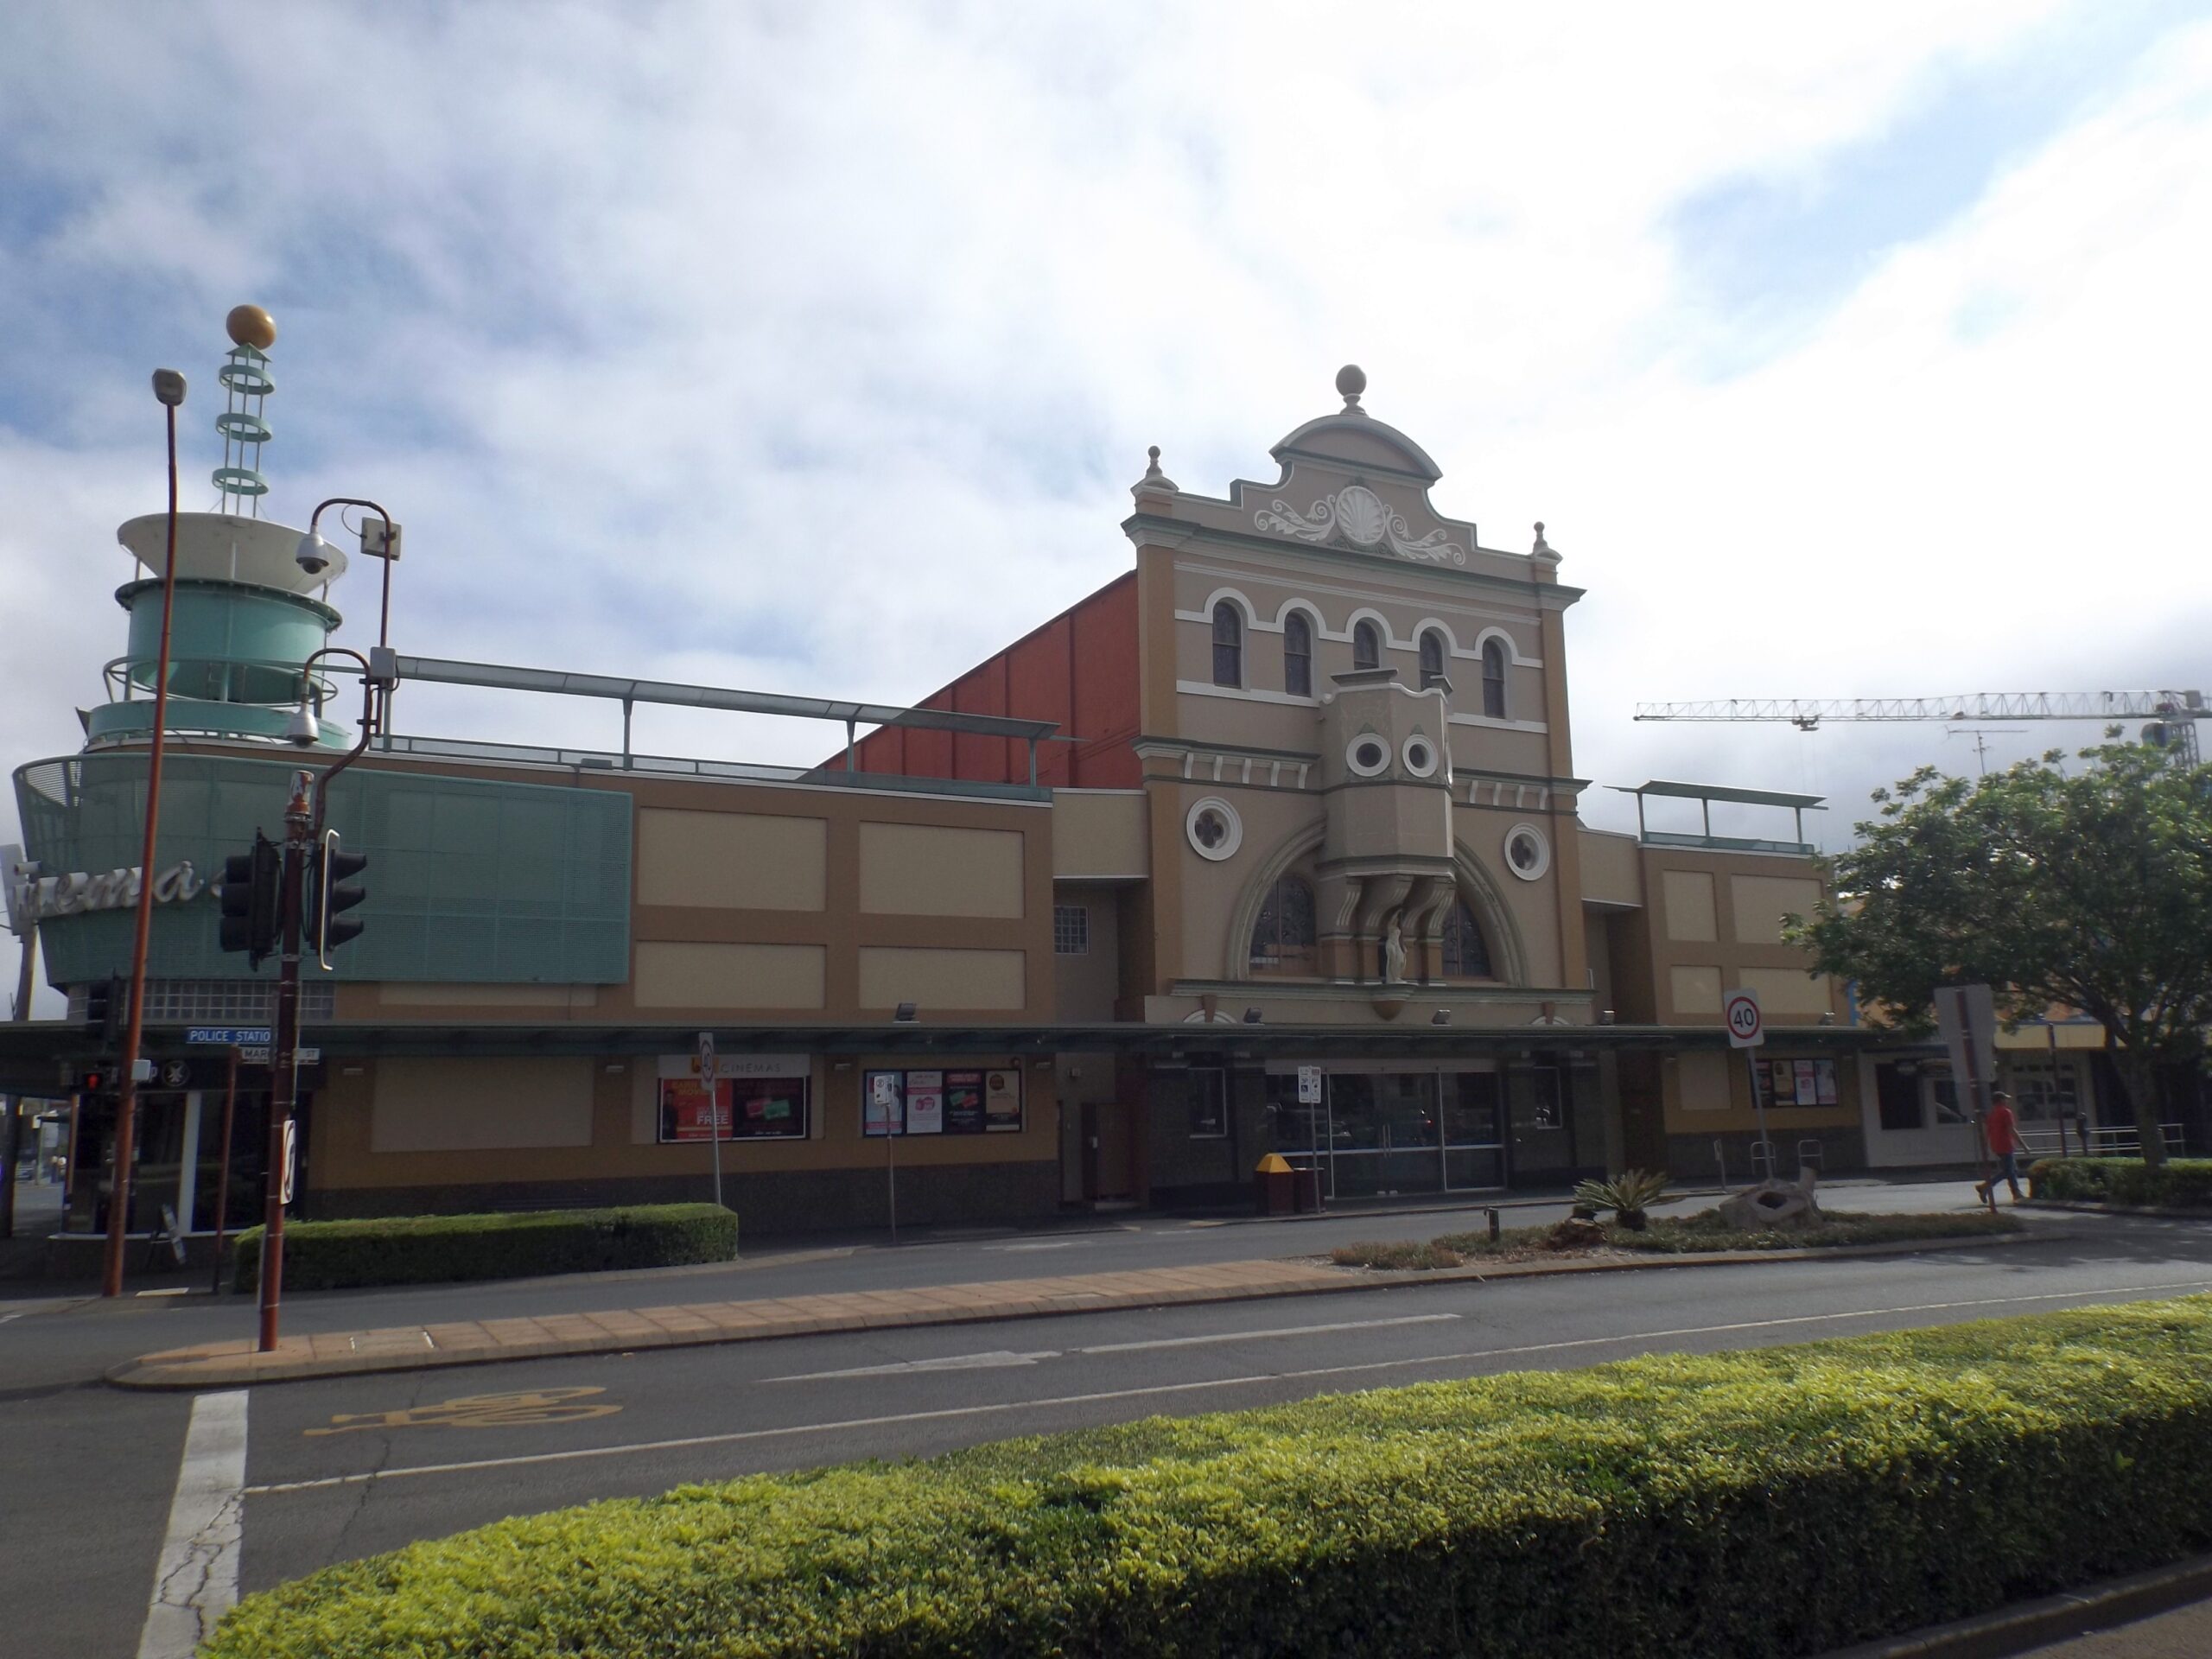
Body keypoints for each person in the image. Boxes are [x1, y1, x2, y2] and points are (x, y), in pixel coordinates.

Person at [1974, 1090, 2027, 1204]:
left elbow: (1986, 1132)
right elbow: (2011, 1130)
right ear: (2001, 1100)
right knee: (2008, 1171)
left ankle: (2017, 1193)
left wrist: (1985, 1146)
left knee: (2012, 1170)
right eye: (2005, 1099)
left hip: (1996, 1145)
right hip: (2006, 1144)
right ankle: (1985, 1187)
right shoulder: (2006, 1112)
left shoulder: (1992, 1114)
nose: (2007, 1101)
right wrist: (2024, 1145)